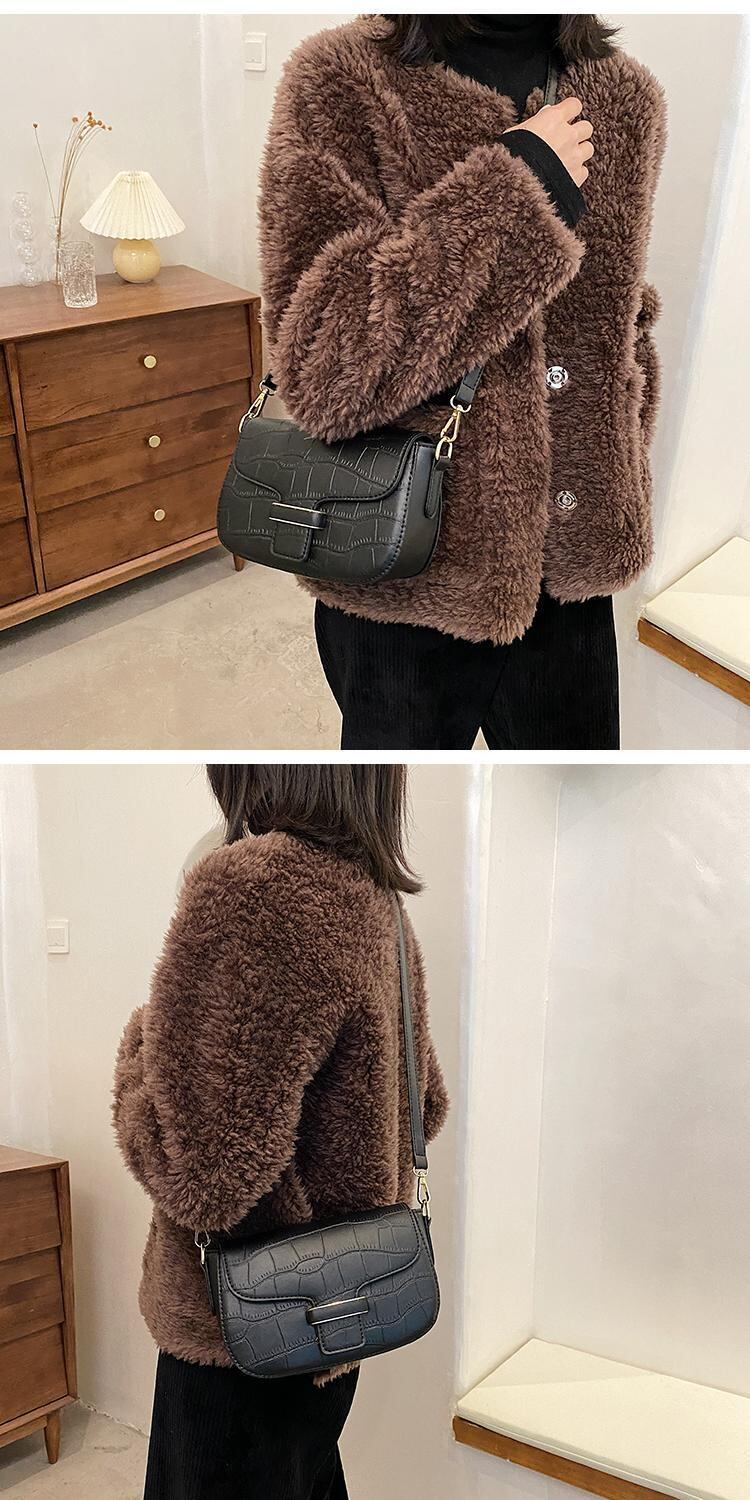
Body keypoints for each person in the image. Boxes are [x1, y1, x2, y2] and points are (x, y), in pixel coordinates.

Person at [258, 14, 667, 749]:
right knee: (408, 803)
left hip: (567, 574)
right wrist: (514, 189)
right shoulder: (345, 79)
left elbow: (610, 327)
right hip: (399, 566)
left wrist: (622, 459)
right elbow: (322, 370)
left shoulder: (623, 95)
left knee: (575, 802)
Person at [112, 764, 448, 1500]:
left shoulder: (253, 889)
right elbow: (426, 1106)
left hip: (239, 1338)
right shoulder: (380, 902)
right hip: (339, 1325)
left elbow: (203, 1180)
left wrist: (142, 1046)